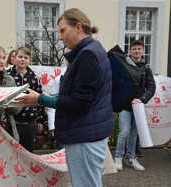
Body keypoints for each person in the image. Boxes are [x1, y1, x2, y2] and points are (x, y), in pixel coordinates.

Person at [16, 8, 114, 187]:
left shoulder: (87, 56)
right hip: (89, 132)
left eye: (63, 31)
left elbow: (80, 103)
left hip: (84, 136)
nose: (60, 38)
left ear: (78, 27)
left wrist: (41, 99)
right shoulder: (93, 49)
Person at [114, 40, 156, 171]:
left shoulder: (146, 68)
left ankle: (131, 158)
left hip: (138, 108)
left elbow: (151, 87)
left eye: (139, 48)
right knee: (124, 132)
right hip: (125, 106)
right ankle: (118, 158)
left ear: (142, 51)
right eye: (134, 49)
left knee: (133, 133)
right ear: (130, 51)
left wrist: (142, 99)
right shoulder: (124, 65)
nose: (136, 51)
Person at [7, 47, 44, 153]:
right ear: (14, 58)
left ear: (29, 60)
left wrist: (40, 121)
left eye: (26, 57)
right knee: (11, 152)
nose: (22, 59)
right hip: (11, 121)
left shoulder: (34, 77)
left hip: (30, 121)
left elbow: (40, 99)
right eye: (20, 57)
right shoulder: (7, 75)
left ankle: (27, 170)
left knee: (27, 151)